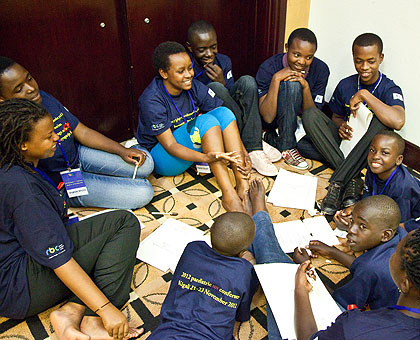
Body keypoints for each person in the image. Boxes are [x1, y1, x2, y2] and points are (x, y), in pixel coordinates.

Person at [0, 99, 143, 340]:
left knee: (102, 233)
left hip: (12, 271)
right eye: (47, 137)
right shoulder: (24, 191)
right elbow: (58, 259)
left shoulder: (12, 164)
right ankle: (88, 319)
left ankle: (71, 312)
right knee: (124, 224)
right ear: (22, 144)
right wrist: (105, 310)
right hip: (17, 287)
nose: (56, 138)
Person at [0, 56, 154, 210]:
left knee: (146, 164)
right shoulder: (10, 134)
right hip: (64, 184)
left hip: (78, 156)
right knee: (143, 193)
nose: (31, 88)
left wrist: (121, 150)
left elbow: (82, 131)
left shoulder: (41, 98)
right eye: (19, 89)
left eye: (29, 78)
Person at [250, 194, 406, 339]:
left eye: (362, 226)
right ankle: (257, 224)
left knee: (277, 273)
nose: (351, 230)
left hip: (353, 323)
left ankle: (258, 219)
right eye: (352, 221)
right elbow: (369, 268)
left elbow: (337, 302)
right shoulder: (400, 236)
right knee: (273, 260)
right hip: (385, 316)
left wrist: (306, 269)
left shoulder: (370, 268)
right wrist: (332, 252)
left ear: (386, 235)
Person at [136, 41, 252, 212]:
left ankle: (243, 184)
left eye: (190, 68)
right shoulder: (152, 100)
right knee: (207, 121)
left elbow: (224, 116)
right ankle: (229, 195)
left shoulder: (193, 86)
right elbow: (170, 145)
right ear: (163, 73)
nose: (189, 74)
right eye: (180, 71)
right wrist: (206, 158)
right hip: (163, 157)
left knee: (224, 112)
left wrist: (243, 152)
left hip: (189, 147)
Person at [302, 33, 405, 215]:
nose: (364, 67)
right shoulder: (346, 84)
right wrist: (341, 126)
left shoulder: (389, 88)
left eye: (371, 61)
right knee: (309, 118)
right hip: (348, 143)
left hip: (368, 149)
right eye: (359, 61)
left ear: (381, 58)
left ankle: (338, 182)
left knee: (382, 123)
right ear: (353, 58)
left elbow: (398, 121)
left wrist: (365, 95)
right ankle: (353, 176)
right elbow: (336, 117)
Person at [186, 20, 281, 176]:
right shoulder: (187, 67)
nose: (209, 54)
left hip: (231, 111)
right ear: (190, 47)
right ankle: (254, 144)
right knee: (214, 88)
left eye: (213, 47)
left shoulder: (224, 61)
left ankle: (254, 145)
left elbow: (231, 97)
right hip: (209, 116)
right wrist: (216, 85)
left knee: (248, 81)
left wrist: (222, 81)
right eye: (202, 49)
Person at [147, 211, 258, 339]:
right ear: (243, 251)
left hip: (167, 332)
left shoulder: (192, 249)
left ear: (210, 231)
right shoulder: (244, 271)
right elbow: (242, 314)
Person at [294, 228, 420, 340]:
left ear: (405, 284)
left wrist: (301, 290)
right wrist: (333, 252)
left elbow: (309, 337)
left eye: (395, 252)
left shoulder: (355, 326)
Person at [256, 28, 330, 170]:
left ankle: (271, 138)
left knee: (321, 154)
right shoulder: (268, 67)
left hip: (300, 124)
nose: (302, 61)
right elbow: (268, 117)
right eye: (296, 55)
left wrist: (306, 87)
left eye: (308, 57)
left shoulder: (321, 69)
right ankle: (287, 146)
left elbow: (313, 116)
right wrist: (276, 79)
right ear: (287, 48)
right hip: (275, 121)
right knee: (292, 84)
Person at [334, 131, 420, 232]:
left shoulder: (402, 187)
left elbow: (396, 229)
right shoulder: (373, 168)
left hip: (412, 223)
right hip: (384, 211)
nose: (375, 156)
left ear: (399, 160)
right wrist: (354, 209)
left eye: (385, 153)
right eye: (372, 150)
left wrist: (355, 227)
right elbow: (368, 199)